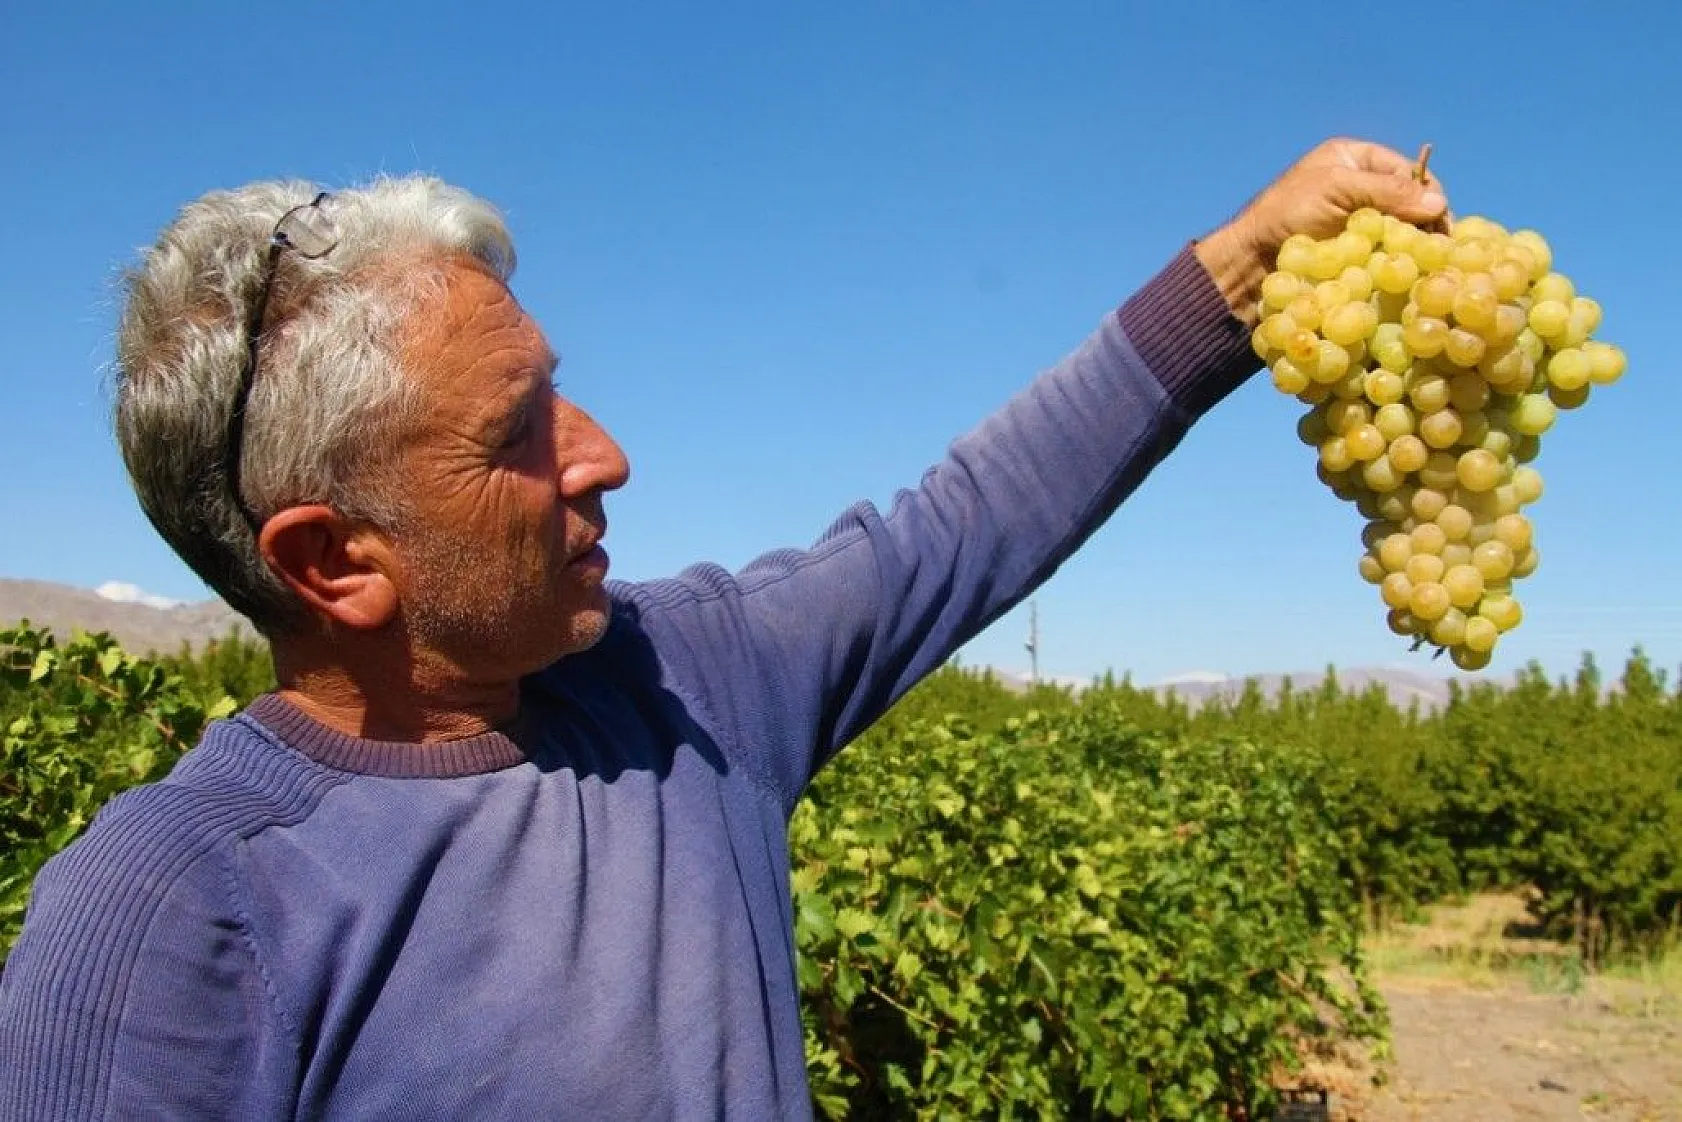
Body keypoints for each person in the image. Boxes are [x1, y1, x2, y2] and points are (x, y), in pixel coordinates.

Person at [0, 137, 1446, 1119]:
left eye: (556, 386)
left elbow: (966, 521)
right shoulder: (166, 920)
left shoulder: (684, 681)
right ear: (333, 564)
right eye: (515, 435)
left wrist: (1246, 266)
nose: (604, 452)